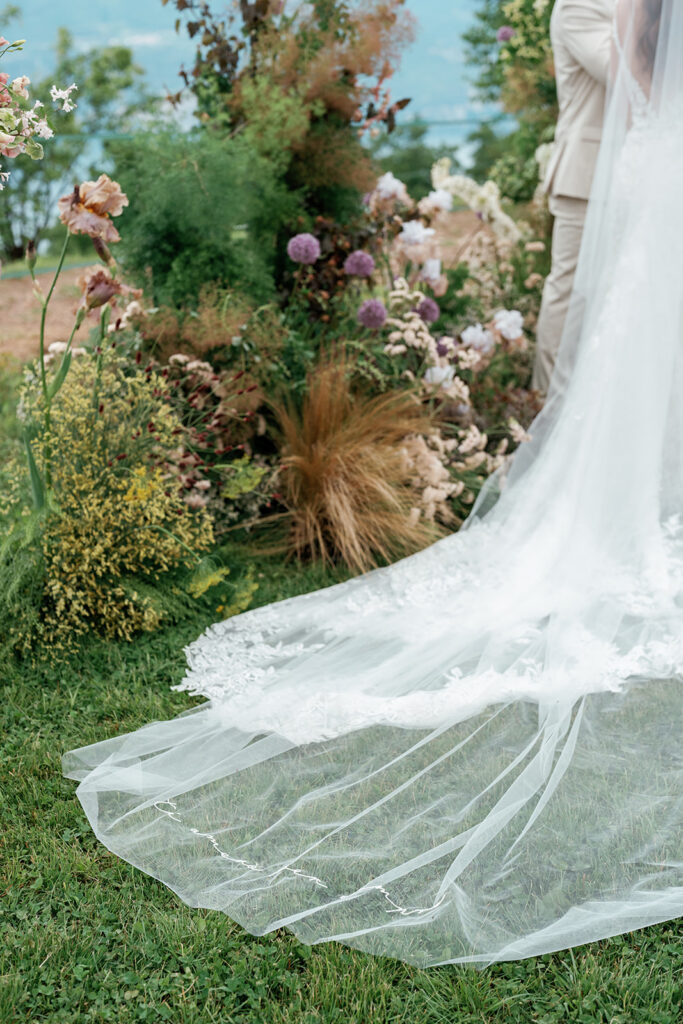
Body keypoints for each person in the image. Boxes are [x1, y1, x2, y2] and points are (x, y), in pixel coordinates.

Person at [64, 0, 682, 969]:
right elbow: (630, 70)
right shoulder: (588, 10)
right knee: (584, 356)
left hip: (652, 187)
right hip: (608, 182)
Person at [533, 0, 615, 395]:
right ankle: (548, 404)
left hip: (632, 171)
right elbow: (620, 70)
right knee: (569, 296)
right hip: (585, 173)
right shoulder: (577, 6)